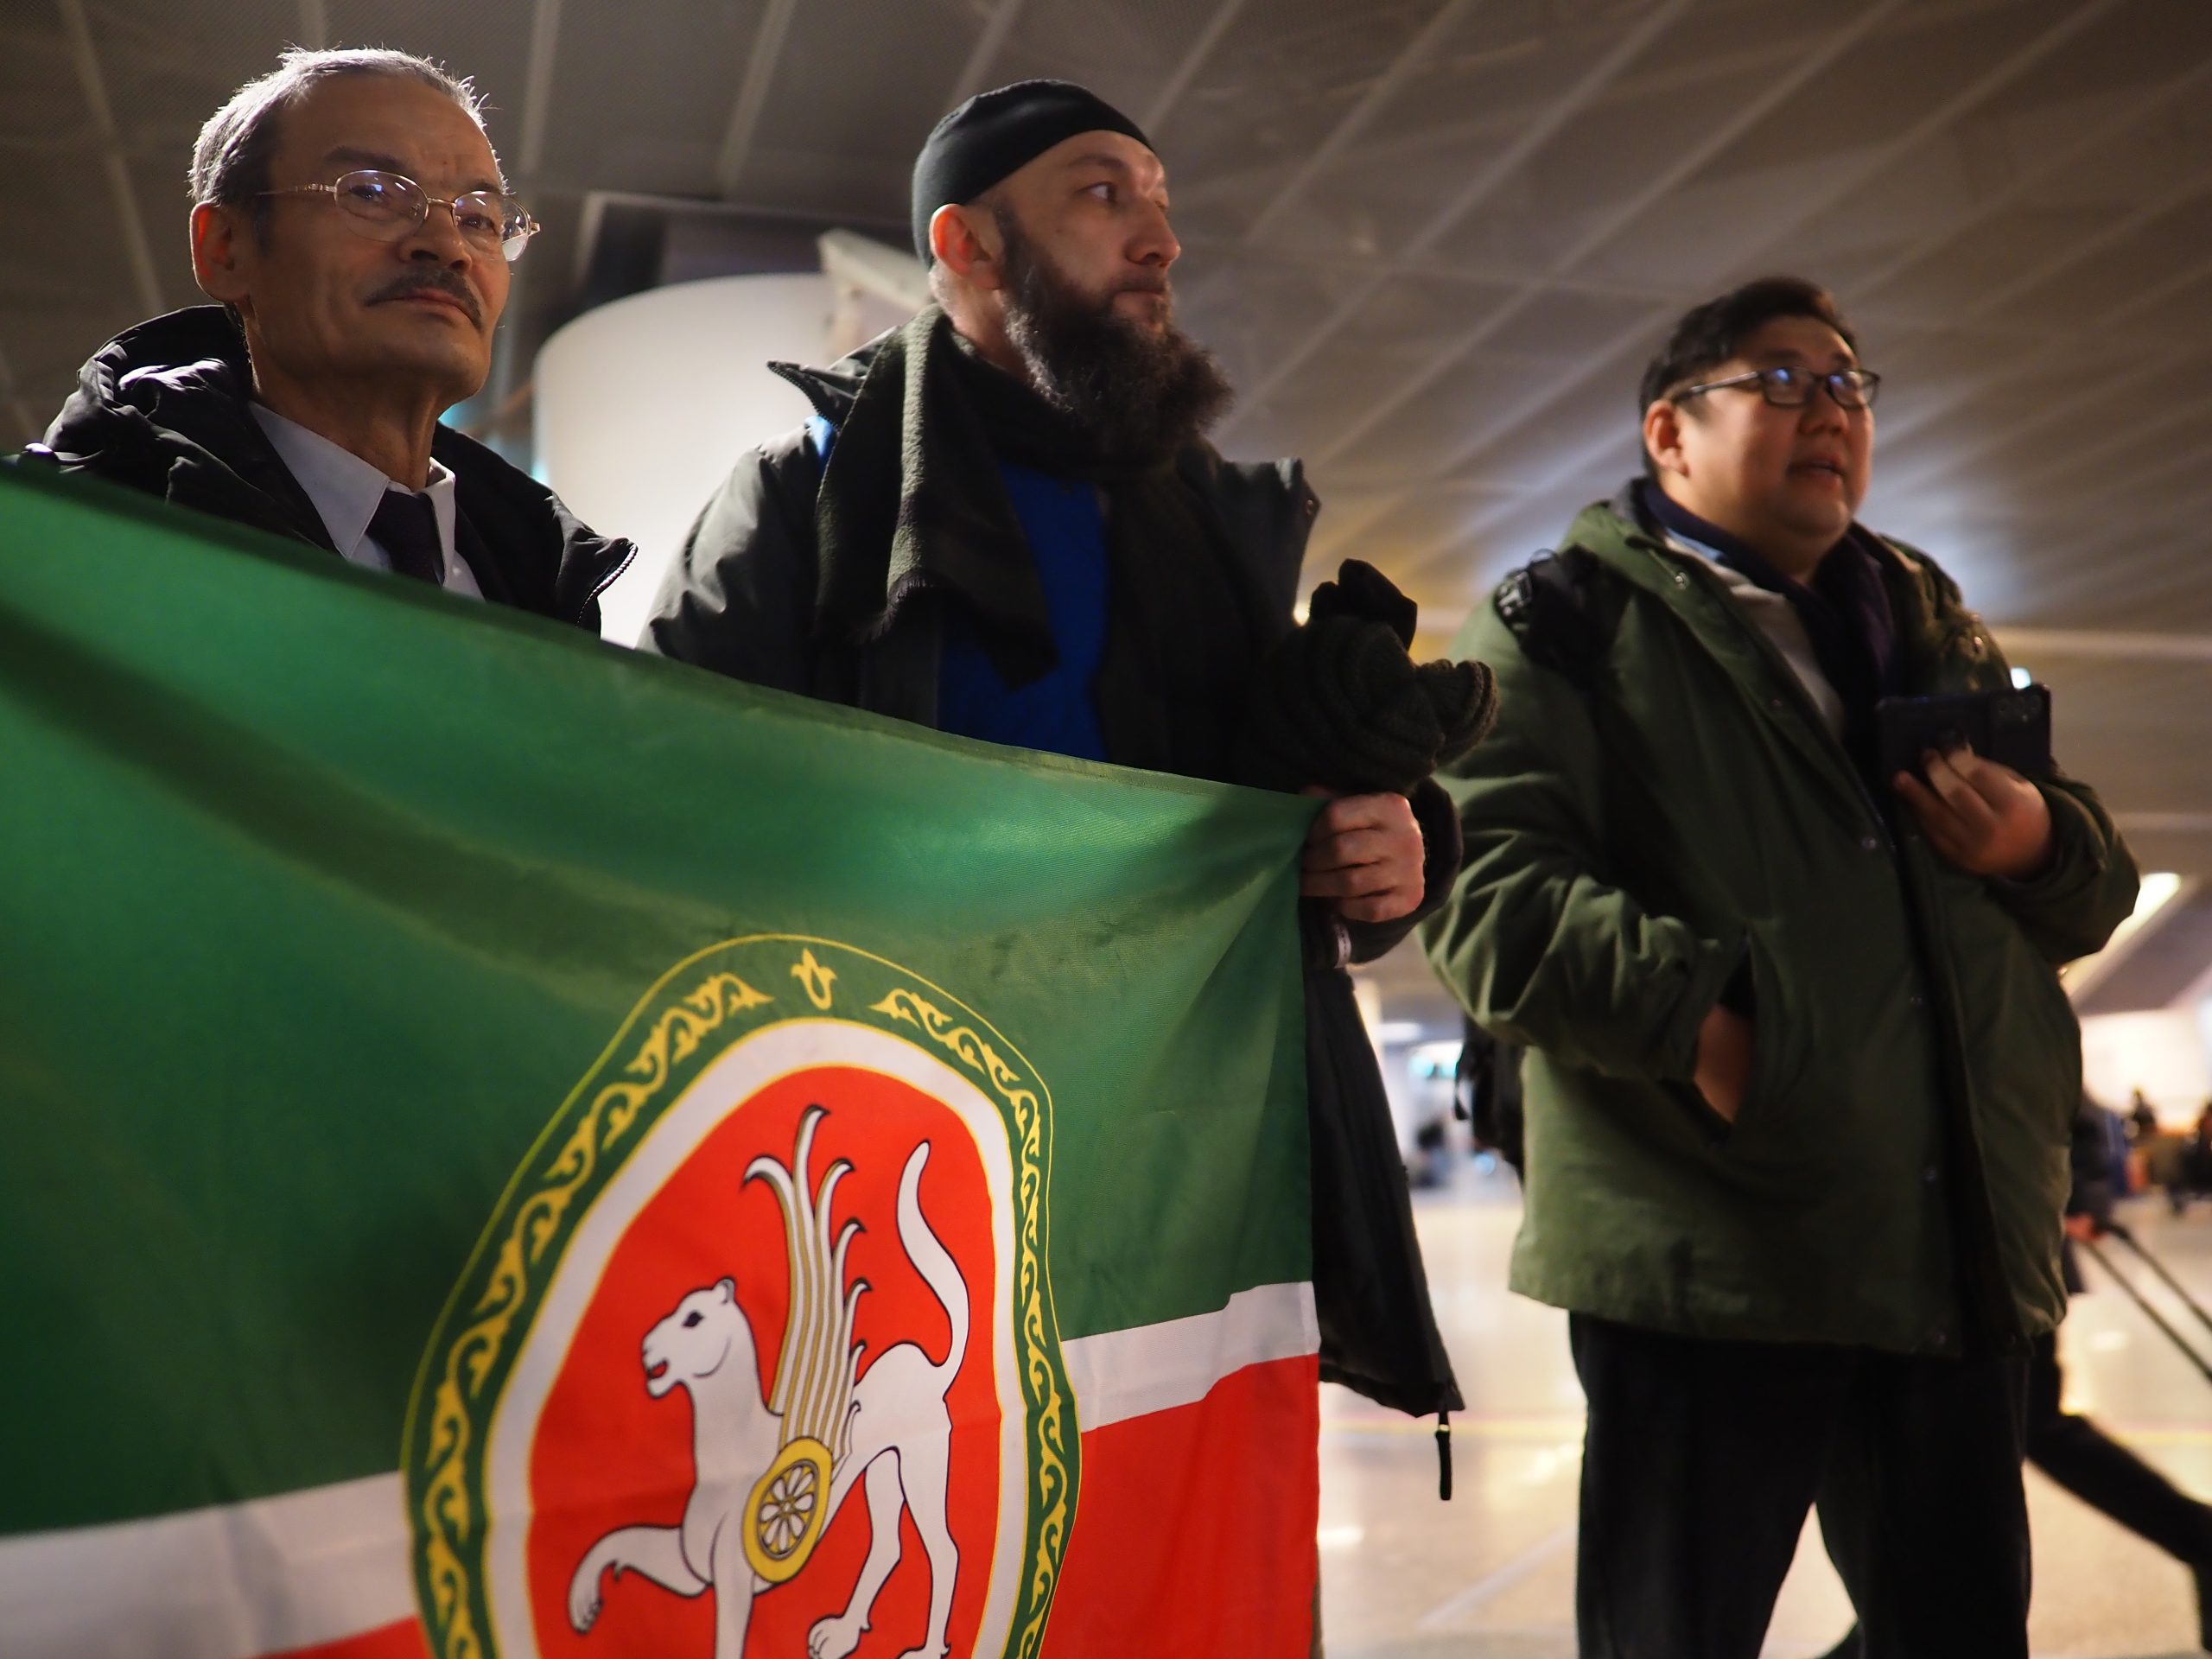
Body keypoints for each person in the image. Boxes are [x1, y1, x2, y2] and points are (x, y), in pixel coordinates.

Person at [645, 80, 1483, 1433]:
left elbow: (1294, 814)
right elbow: (671, 815)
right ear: (966, 242)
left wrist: (1390, 854)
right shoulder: (812, 499)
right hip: (916, 1176)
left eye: (1160, 200)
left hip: (1197, 1185)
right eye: (1102, 192)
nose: (1160, 238)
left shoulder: (1210, 522)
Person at [1421, 275, 2139, 1659]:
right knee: (1676, 1634)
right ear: (1670, 433)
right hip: (1709, 1246)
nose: (1831, 412)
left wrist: (2039, 841)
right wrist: (1721, 1034)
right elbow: (1485, 889)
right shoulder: (1567, 626)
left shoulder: (1923, 617)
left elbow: (2089, 889)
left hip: (1943, 1242)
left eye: (1851, 385)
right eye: (1784, 381)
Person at [24, 47, 630, 629]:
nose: (448, 246)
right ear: (225, 248)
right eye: (371, 194)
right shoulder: (50, 548)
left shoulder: (547, 589)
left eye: (479, 220)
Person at [1818, 1096, 2212, 1659]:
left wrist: (2076, 1197)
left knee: (2006, 1436)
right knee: (1939, 1455)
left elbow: (2062, 1104)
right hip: (1916, 1269)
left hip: (1989, 1269)